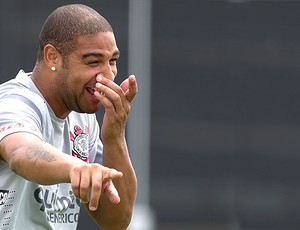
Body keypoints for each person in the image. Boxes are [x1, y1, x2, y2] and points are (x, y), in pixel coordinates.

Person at [0, 4, 138, 230]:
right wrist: (76, 168)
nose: (108, 75)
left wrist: (115, 135)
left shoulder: (82, 119)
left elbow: (116, 221)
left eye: (112, 61)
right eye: (93, 61)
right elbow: (20, 152)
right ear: (52, 57)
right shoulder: (13, 102)